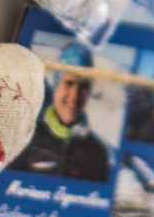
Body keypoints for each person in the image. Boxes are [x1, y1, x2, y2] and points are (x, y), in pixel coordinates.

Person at [11, 43, 112, 182]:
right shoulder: (26, 139)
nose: (74, 95)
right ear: (56, 85)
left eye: (83, 86)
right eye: (69, 83)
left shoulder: (97, 153)